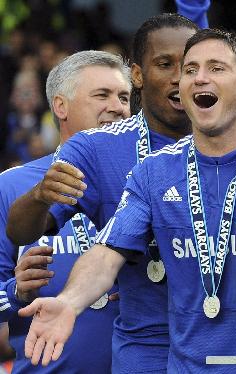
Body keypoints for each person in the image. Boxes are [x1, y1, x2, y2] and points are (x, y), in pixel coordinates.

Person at [17, 28, 236, 373]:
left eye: (216, 68)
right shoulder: (154, 172)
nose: (197, 78)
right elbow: (106, 253)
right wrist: (69, 303)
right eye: (190, 70)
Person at [6, 14, 199, 373]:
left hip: (218, 348)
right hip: (141, 351)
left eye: (190, 67)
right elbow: (21, 232)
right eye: (165, 64)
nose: (179, 76)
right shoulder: (94, 149)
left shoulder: (232, 144)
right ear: (139, 74)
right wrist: (39, 196)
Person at [0, 50, 130, 372]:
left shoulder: (151, 180)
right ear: (61, 106)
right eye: (102, 95)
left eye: (125, 97)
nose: (118, 107)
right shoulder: (12, 187)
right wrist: (15, 291)